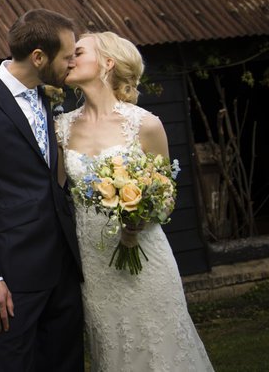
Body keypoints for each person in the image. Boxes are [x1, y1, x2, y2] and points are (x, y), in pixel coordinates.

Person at [57, 31, 214, 371]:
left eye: (78, 52)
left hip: (146, 258)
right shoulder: (61, 129)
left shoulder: (145, 124)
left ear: (107, 63)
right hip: (95, 264)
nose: (68, 59)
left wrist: (140, 216)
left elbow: (166, 197)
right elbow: (57, 201)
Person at [0, 9, 84, 372]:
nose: (73, 63)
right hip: (14, 276)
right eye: (68, 56)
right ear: (39, 56)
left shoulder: (49, 96)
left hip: (64, 268)